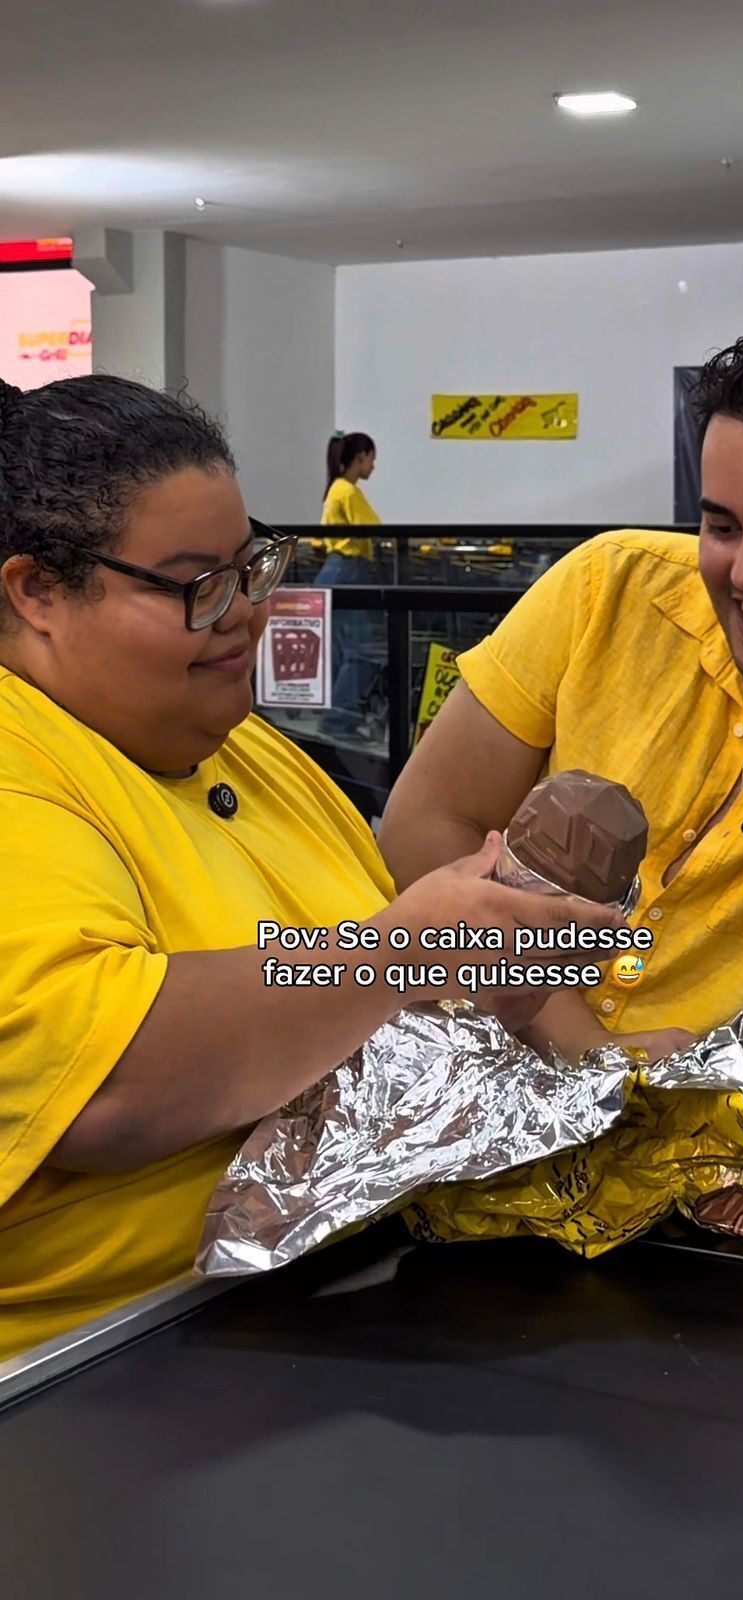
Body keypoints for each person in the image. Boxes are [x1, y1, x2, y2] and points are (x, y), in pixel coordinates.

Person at [0, 376, 623, 1361]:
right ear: (35, 591)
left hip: (338, 1290)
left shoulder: (249, 748)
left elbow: (338, 989)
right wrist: (402, 951)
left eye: (253, 564)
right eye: (196, 585)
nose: (248, 611)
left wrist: (478, 983)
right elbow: (105, 1085)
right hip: (101, 1369)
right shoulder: (21, 771)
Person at [379, 312, 743, 1081]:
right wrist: (589, 1050)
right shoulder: (610, 585)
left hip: (669, 1157)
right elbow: (424, 822)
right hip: (436, 1064)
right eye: (722, 526)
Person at [316, 430, 382, 738]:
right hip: (349, 569)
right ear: (361, 457)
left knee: (343, 650)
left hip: (332, 569)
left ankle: (337, 715)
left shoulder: (335, 489)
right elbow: (374, 531)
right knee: (362, 651)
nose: (373, 465)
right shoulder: (349, 492)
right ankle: (337, 721)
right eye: (372, 458)